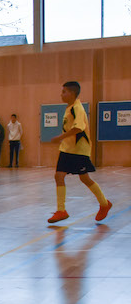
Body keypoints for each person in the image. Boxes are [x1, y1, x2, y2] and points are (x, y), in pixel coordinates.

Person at [48, 81, 112, 223]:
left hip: (78, 150)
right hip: (67, 149)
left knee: (84, 178)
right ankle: (61, 210)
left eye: (64, 92)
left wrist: (60, 137)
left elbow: (78, 128)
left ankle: (104, 204)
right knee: (59, 176)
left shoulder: (78, 108)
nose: (61, 94)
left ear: (72, 93)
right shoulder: (69, 108)